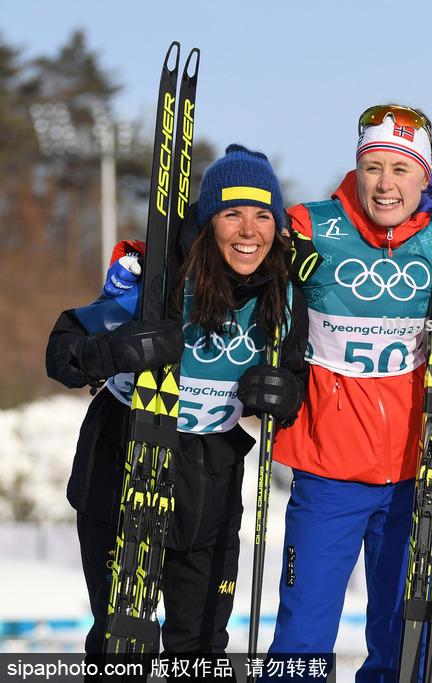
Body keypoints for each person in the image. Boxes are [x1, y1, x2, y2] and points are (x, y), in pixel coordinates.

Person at [45, 144, 308, 657]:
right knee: (123, 641)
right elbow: (61, 353)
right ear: (209, 222)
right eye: (232, 214)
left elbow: (296, 378)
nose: (248, 230)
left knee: (201, 647)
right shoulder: (156, 278)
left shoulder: (286, 295)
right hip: (123, 467)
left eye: (262, 215)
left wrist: (283, 393)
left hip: (210, 486)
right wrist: (114, 349)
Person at [267, 103, 432, 676]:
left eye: (402, 170)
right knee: (304, 630)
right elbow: (224, 243)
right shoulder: (310, 224)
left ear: (425, 178)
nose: (386, 185)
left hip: (418, 469)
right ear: (357, 169)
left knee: (402, 632)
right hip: (328, 468)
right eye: (374, 167)